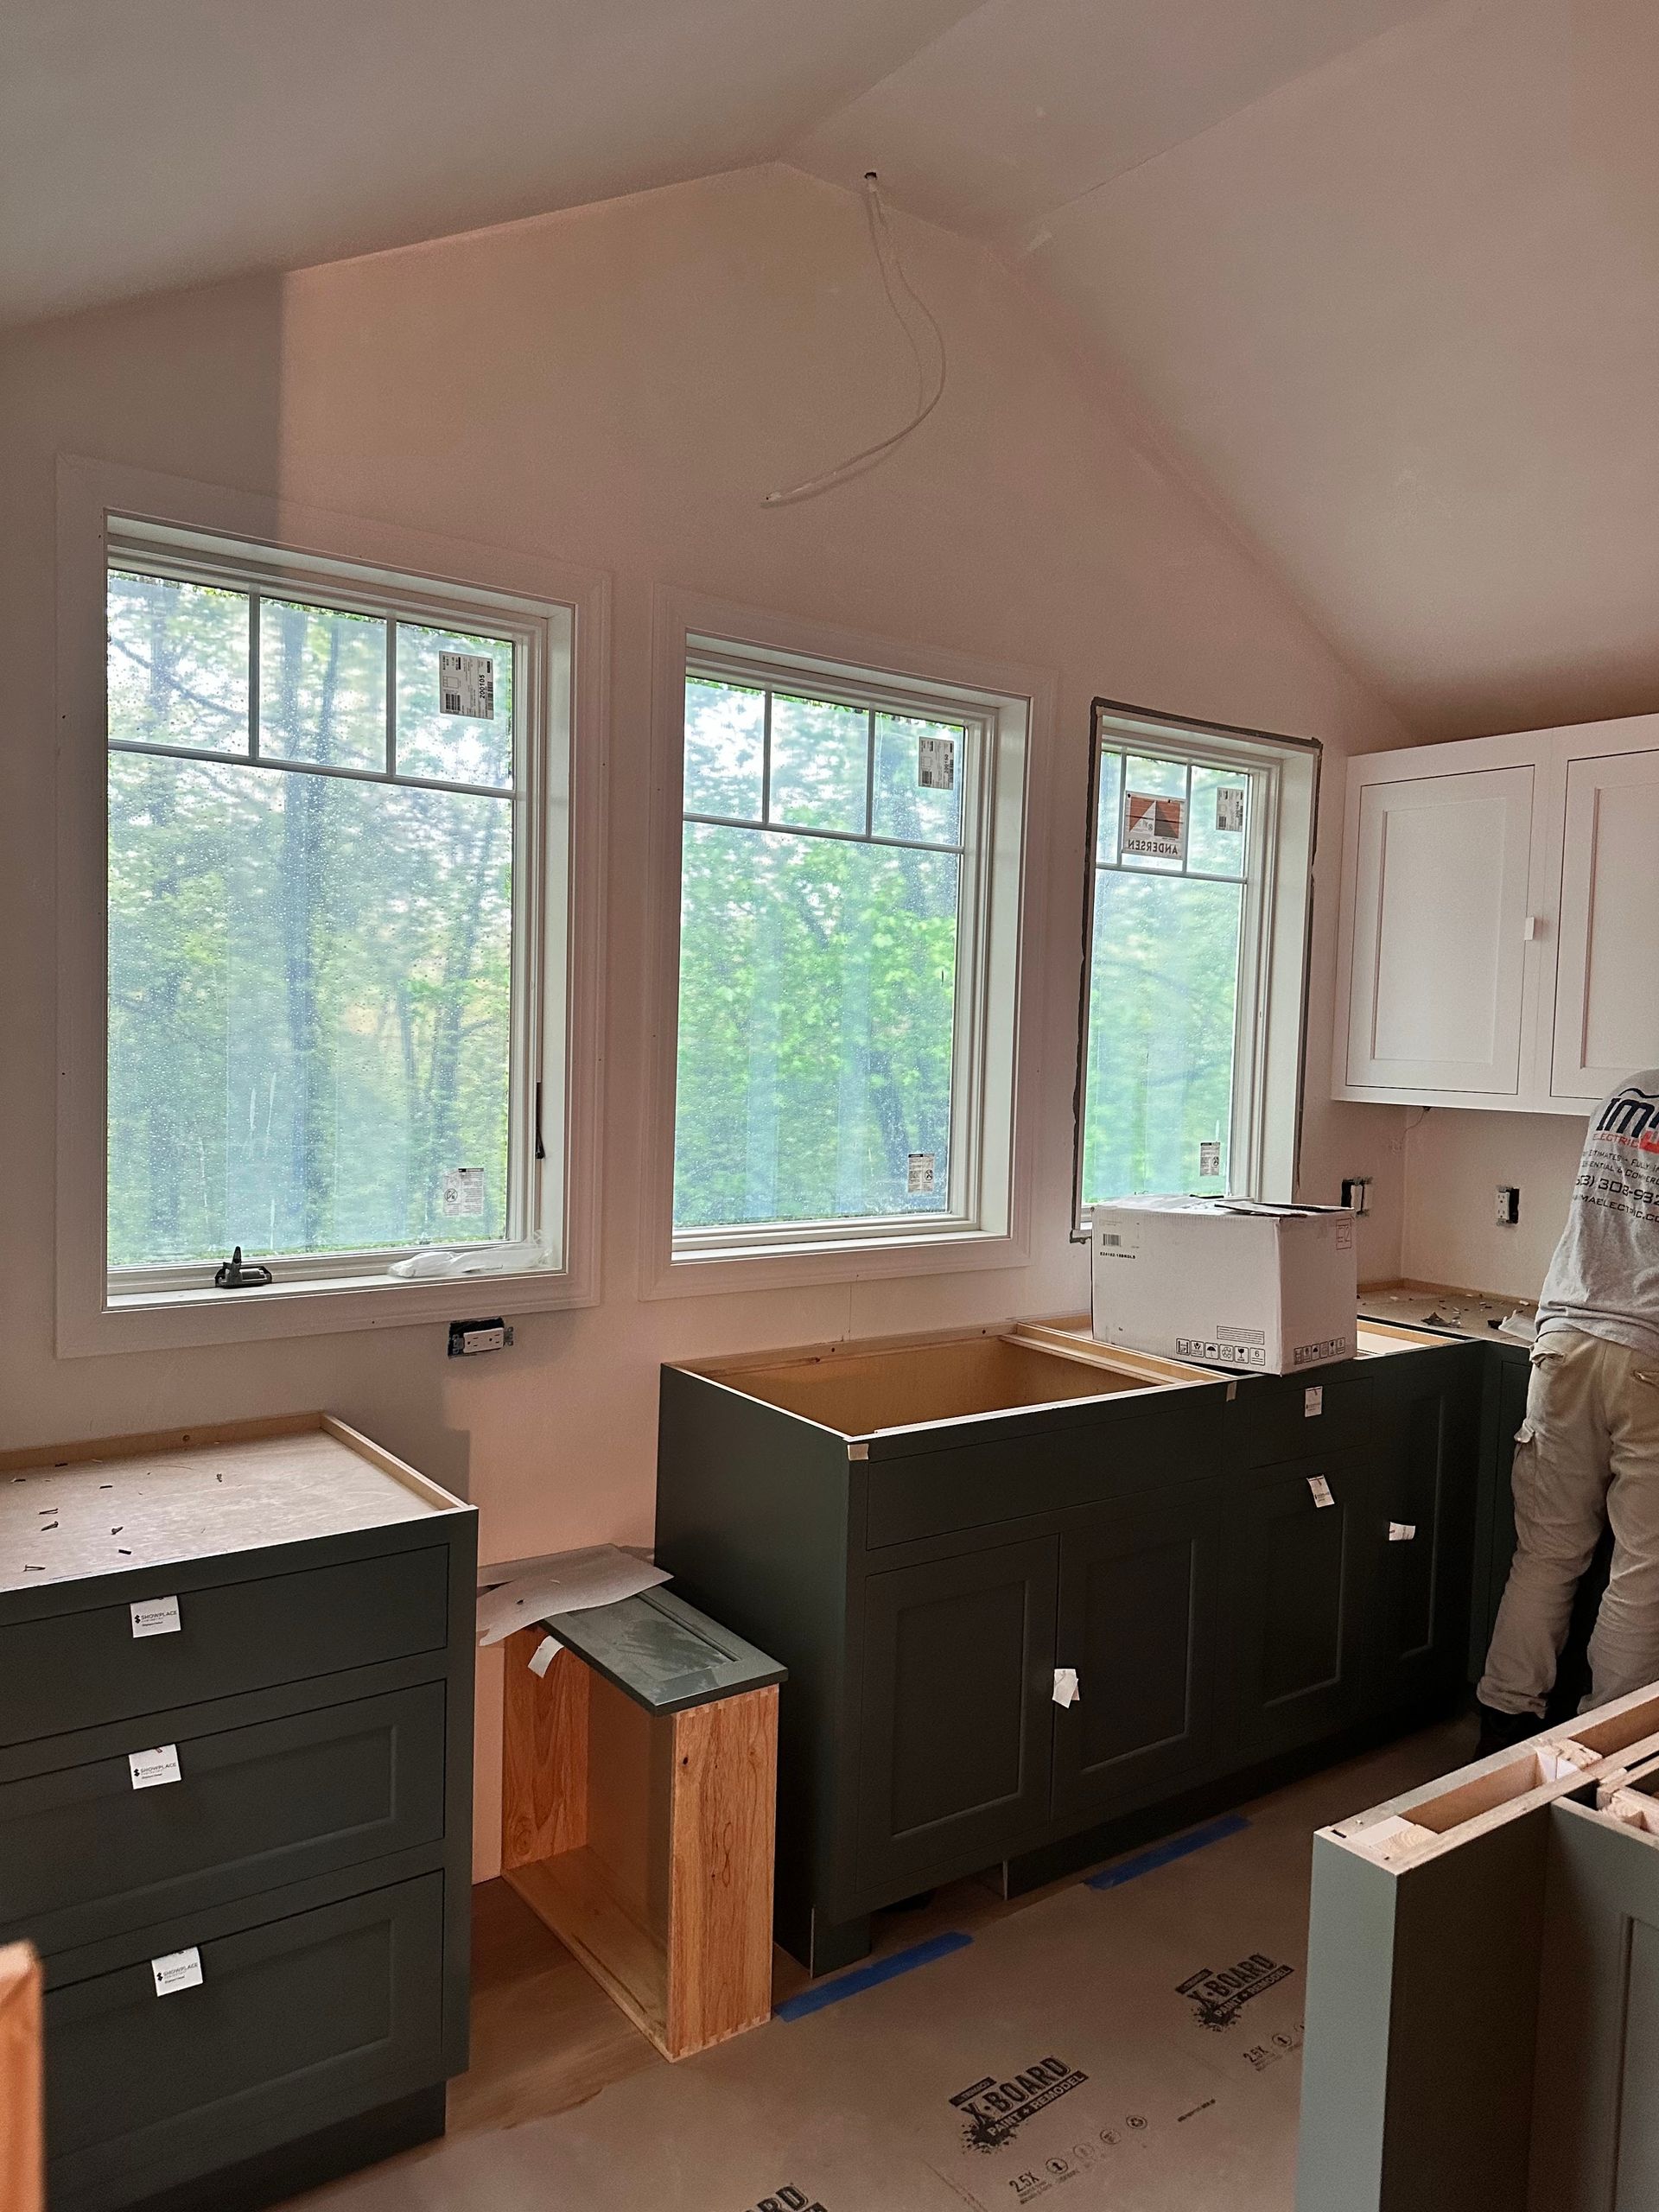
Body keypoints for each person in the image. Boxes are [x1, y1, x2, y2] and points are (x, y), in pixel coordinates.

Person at [1477, 1071, 1659, 1755]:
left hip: (1565, 1340)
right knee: (1643, 1571)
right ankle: (1603, 1750)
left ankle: (1503, 1726)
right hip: (1651, 1355)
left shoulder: (1628, 1092)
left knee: (1546, 1555)